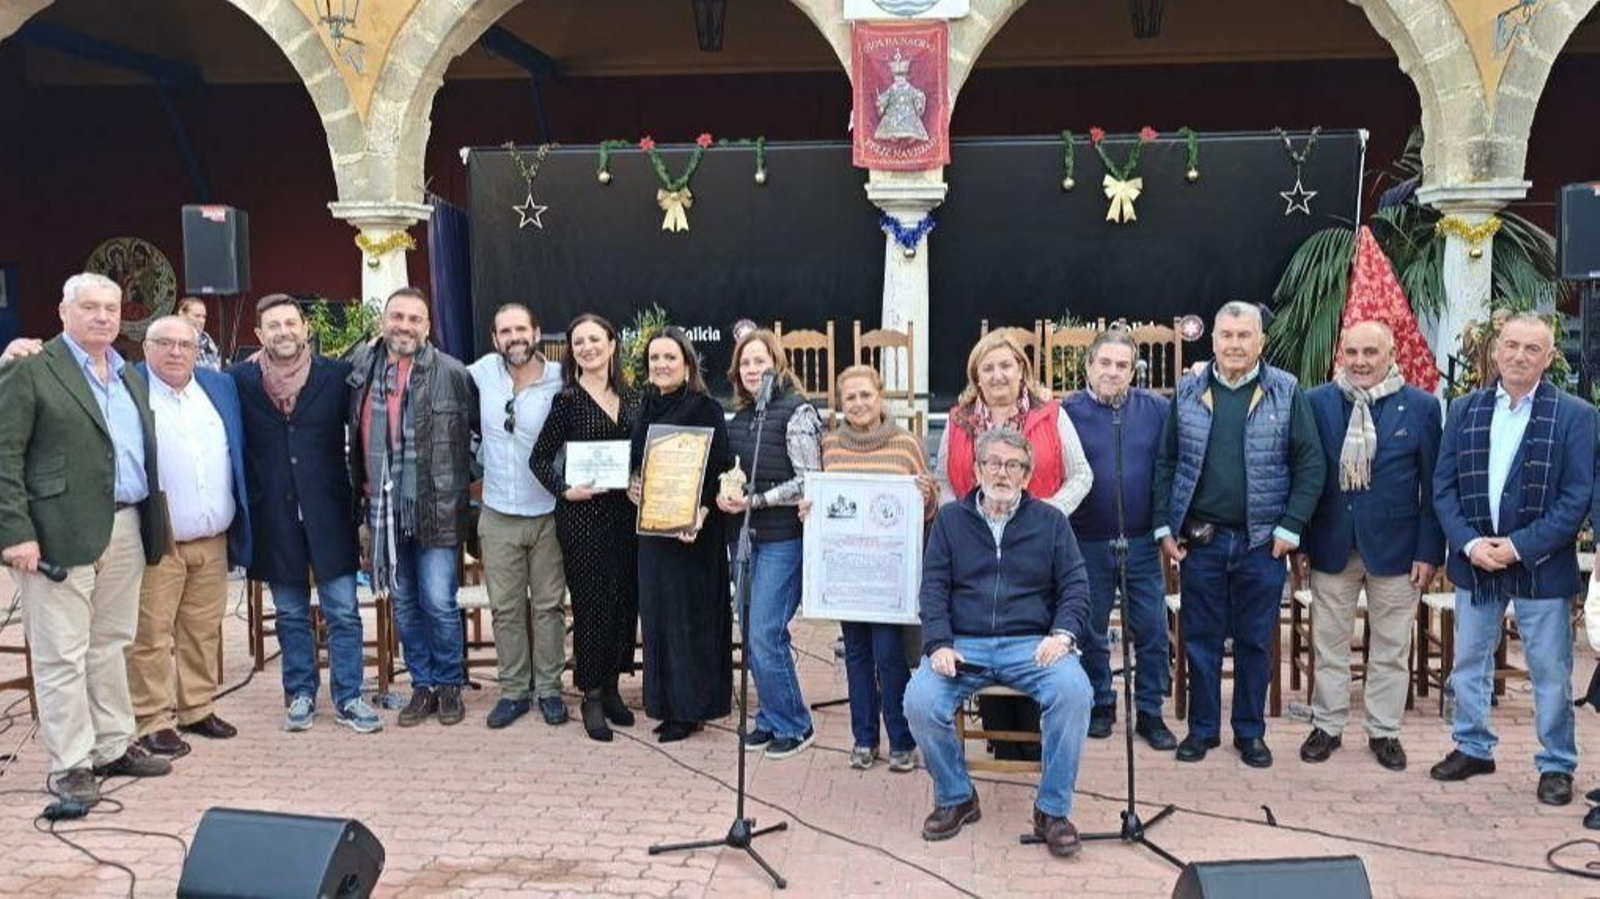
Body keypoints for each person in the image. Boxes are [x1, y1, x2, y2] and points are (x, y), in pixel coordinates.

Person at [0, 273, 172, 806]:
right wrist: (15, 533)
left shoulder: (129, 376)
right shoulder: (31, 369)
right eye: (91, 307)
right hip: (56, 537)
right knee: (61, 655)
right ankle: (72, 762)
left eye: (111, 308)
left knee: (110, 645)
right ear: (63, 312)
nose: (102, 316)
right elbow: (4, 455)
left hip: (125, 524)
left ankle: (113, 744)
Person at [903, 429, 1093, 857]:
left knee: (1075, 692)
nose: (1001, 473)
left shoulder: (1051, 522)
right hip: (964, 645)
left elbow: (1077, 587)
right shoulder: (951, 521)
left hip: (1032, 645)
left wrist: (1062, 636)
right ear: (976, 469)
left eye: (1013, 466)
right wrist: (938, 644)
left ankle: (1052, 810)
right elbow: (932, 588)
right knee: (919, 700)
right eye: (993, 463)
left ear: (1027, 475)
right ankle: (956, 796)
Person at [1430, 313, 1594, 807]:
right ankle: (1473, 747)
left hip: (1540, 566)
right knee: (1469, 661)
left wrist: (1519, 546)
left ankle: (1557, 764)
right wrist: (1470, 544)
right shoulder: (1464, 410)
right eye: (1512, 346)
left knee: (1549, 669)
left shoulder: (1577, 416)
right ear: (1496, 351)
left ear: (1549, 358)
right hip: (1475, 562)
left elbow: (1577, 497)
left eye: (1532, 349)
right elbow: (1443, 487)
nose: (1520, 356)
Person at [1152, 301, 1324, 768]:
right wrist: (1165, 526)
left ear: (1260, 342)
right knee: (1201, 642)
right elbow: (1167, 462)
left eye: (1243, 336)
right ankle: (1202, 730)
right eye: (1226, 336)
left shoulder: (1286, 391)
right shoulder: (1188, 391)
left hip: (1262, 544)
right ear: (1213, 342)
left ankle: (1250, 732)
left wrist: (1291, 526)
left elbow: (1310, 464)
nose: (1234, 344)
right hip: (1201, 542)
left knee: (1254, 641)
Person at [935, 330, 1092, 758]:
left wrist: (1048, 516)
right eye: (988, 368)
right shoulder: (958, 419)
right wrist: (959, 521)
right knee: (984, 618)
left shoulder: (1052, 414)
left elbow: (1082, 475)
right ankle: (1004, 745)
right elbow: (945, 480)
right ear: (976, 377)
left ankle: (1037, 741)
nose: (998, 374)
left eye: (1006, 365)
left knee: (1030, 631)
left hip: (1039, 544)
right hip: (975, 541)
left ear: (1022, 370)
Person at [233, 294, 381, 735]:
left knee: (343, 611)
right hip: (273, 514)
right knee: (292, 613)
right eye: (273, 326)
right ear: (259, 335)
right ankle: (299, 694)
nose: (283, 332)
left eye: (290, 323)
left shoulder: (336, 376)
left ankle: (350, 696)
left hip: (328, 511)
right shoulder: (238, 380)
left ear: (305, 328)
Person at [1299, 321, 1443, 771]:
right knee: (1329, 643)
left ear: (1391, 354)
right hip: (1331, 544)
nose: (1360, 361)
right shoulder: (1316, 402)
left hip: (1398, 551)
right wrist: (1302, 541)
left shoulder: (1420, 408)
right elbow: (1305, 475)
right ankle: (1327, 725)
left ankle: (1384, 732)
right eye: (1352, 352)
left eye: (1370, 353)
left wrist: (1428, 551)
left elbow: (1433, 487)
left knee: (1391, 647)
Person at [348, 287, 478, 728]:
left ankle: (449, 685)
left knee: (439, 601)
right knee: (404, 603)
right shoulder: (360, 368)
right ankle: (422, 685)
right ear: (385, 320)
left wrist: (455, 479)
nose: (404, 325)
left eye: (414, 318)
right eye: (397, 316)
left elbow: (479, 437)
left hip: (438, 508)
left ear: (428, 326)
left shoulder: (453, 373)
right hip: (381, 510)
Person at [128, 315, 253, 758]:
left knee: (203, 630)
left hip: (212, 537)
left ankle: (196, 707)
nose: (176, 352)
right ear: (146, 348)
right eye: (165, 343)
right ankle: (152, 720)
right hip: (160, 538)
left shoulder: (217, 387)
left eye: (186, 344)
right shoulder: (129, 389)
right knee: (152, 635)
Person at [805, 364, 936, 772]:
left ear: (880, 397)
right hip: (848, 576)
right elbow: (824, 505)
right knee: (857, 653)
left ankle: (901, 739)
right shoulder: (830, 446)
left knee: (889, 652)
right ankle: (864, 739)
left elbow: (927, 511)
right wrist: (809, 509)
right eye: (850, 398)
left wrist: (927, 495)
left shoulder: (906, 444)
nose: (859, 404)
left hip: (888, 578)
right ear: (840, 404)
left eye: (866, 395)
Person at [1062, 329, 1176, 751]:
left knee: (1150, 628)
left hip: (1143, 540)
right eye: (1105, 363)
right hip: (1085, 540)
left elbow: (1170, 467)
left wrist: (1167, 525)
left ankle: (1149, 710)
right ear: (1088, 366)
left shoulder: (1157, 410)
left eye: (1122, 365)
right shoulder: (1066, 412)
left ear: (1134, 370)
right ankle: (1100, 703)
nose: (1113, 372)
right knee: (1090, 629)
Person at [532, 314, 640, 742]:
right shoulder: (568, 401)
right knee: (593, 605)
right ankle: (591, 694)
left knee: (623, 602)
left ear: (612, 345)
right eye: (579, 342)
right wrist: (564, 490)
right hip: (582, 517)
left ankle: (613, 686)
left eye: (595, 339)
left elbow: (640, 454)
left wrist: (637, 478)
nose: (587, 347)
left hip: (626, 516)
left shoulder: (632, 397)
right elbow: (539, 459)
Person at [716, 330, 821, 760]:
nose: (752, 369)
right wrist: (725, 495)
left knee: (765, 631)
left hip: (783, 538)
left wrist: (756, 501)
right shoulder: (740, 417)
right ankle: (769, 719)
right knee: (749, 628)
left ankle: (796, 724)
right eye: (745, 363)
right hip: (744, 537)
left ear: (776, 364)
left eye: (760, 361)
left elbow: (809, 480)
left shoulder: (797, 412)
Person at [628, 327, 733, 742]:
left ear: (687, 363)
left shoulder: (704, 408)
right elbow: (637, 462)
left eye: (670, 358)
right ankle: (665, 703)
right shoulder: (645, 406)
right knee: (658, 618)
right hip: (654, 533)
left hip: (693, 535)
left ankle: (691, 709)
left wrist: (701, 513)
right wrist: (631, 484)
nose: (662, 365)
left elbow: (720, 466)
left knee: (690, 621)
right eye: (655, 359)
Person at [468, 304, 569, 729]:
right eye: (505, 331)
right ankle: (513, 692)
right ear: (495, 339)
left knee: (548, 608)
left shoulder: (562, 380)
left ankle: (549, 690)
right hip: (498, 513)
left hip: (547, 511)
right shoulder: (482, 372)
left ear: (537, 331)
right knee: (506, 609)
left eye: (521, 329)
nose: (514, 338)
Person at [177, 296, 222, 371]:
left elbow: (218, 362)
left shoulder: (205, 337)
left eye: (204, 317)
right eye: (197, 316)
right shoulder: (173, 337)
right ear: (181, 314)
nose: (201, 321)